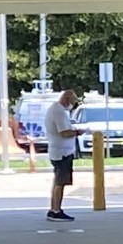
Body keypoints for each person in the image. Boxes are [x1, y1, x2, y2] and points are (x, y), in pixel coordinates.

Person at [45, 88, 84, 222]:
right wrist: (78, 132)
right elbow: (64, 132)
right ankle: (56, 210)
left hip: (59, 151)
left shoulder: (56, 109)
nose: (72, 105)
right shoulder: (59, 111)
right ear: (67, 100)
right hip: (62, 153)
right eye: (73, 101)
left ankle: (54, 208)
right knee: (60, 182)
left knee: (58, 181)